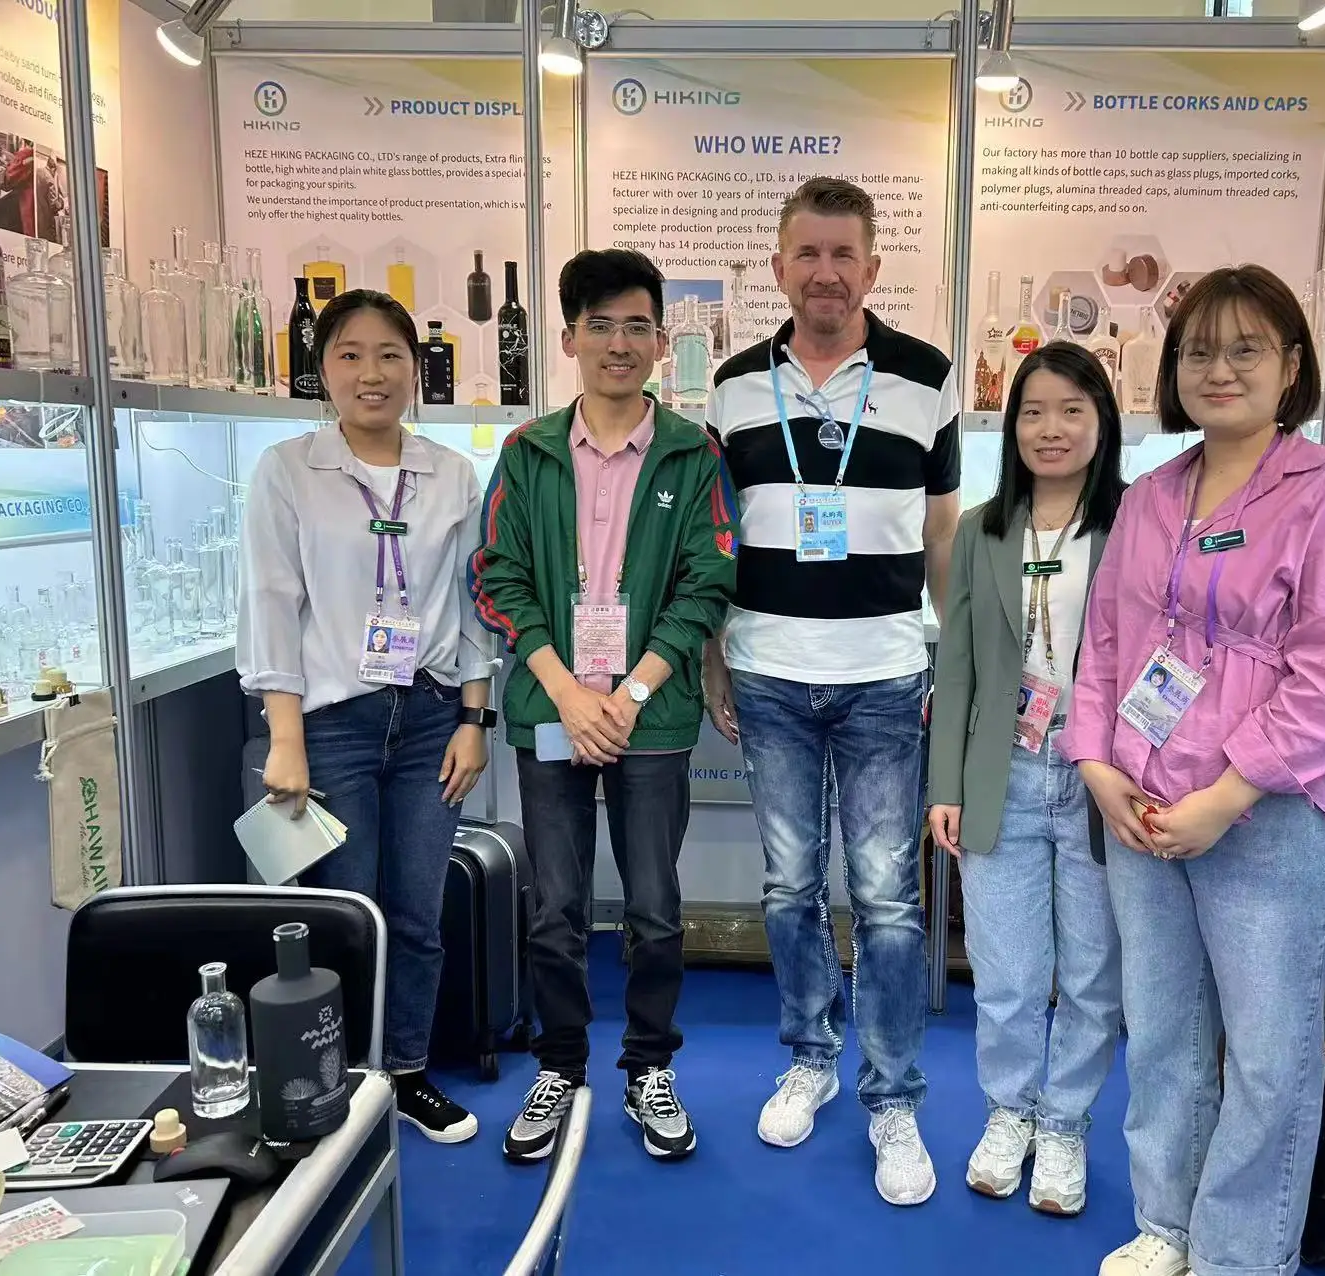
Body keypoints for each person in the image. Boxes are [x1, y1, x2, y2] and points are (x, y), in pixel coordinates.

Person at [1056, 264, 1325, 1276]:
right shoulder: (1151, 496)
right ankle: (1167, 1224)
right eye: (1198, 350)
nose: (1219, 368)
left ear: (1291, 366)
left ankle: (1240, 1255)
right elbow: (1105, 647)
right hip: (1141, 808)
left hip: (1267, 817)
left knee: (1265, 1056)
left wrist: (1227, 793)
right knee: (1161, 1035)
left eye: (1246, 348)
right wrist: (1096, 764)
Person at [703, 176, 961, 1206]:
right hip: (768, 671)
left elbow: (941, 532)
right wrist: (714, 657)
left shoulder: (927, 378)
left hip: (884, 677)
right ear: (778, 266)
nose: (825, 272)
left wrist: (959, 664)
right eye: (806, 253)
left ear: (872, 266)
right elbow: (716, 539)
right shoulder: (731, 387)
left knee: (889, 898)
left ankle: (892, 1096)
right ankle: (809, 1055)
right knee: (789, 888)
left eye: (842, 254)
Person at [470, 248, 737, 1164]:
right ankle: (560, 1065)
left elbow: (708, 582)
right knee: (555, 906)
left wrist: (629, 693)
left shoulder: (693, 454)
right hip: (551, 707)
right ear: (570, 339)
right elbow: (496, 575)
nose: (618, 344)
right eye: (600, 326)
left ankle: (649, 1066)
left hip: (649, 716)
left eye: (636, 326)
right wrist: (566, 690)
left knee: (655, 905)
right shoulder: (528, 452)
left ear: (661, 342)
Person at [238, 288, 497, 1144]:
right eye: (349, 354)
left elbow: (472, 604)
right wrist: (285, 738)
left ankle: (408, 1072)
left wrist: (474, 720)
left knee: (417, 912)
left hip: (430, 717)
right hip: (333, 724)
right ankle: (344, 1083)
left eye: (390, 354)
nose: (371, 373)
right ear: (322, 369)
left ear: (416, 369)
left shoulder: (450, 473)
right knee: (347, 913)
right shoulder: (288, 469)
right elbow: (271, 604)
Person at [926, 342, 1127, 1216]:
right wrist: (945, 784)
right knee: (1007, 972)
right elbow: (958, 665)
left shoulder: (1135, 522)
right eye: (1034, 412)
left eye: (1072, 410)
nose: (1052, 429)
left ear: (1102, 422)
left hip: (1100, 781)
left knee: (1090, 975)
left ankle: (1066, 1123)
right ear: (1011, 427)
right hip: (1001, 771)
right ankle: (1009, 1112)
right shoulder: (982, 529)